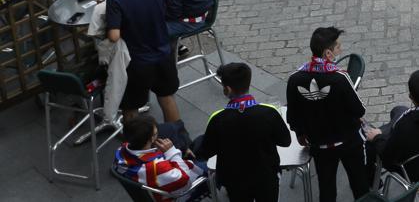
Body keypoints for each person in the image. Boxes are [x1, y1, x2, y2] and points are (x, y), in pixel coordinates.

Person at [286, 27, 370, 202]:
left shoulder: (295, 79)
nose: (341, 50)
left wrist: (300, 133)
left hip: (319, 145)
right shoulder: (339, 78)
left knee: (326, 188)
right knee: (359, 183)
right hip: (348, 141)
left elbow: (293, 115)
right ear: (328, 53)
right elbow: (359, 110)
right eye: (338, 47)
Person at [106, 0, 184, 126]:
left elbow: (114, 36)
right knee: (166, 97)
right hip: (164, 53)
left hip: (138, 62)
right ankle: (176, 141)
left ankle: (134, 148)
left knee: (130, 107)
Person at [194, 61, 291, 202]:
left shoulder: (217, 119)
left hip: (235, 181)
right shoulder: (269, 112)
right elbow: (285, 141)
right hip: (266, 177)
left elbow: (206, 152)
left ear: (227, 89)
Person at [113, 113, 208, 200]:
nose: (158, 134)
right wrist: (172, 152)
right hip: (179, 194)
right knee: (216, 164)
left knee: (197, 142)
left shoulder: (121, 150)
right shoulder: (157, 167)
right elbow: (185, 182)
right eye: (155, 133)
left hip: (157, 183)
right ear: (151, 138)